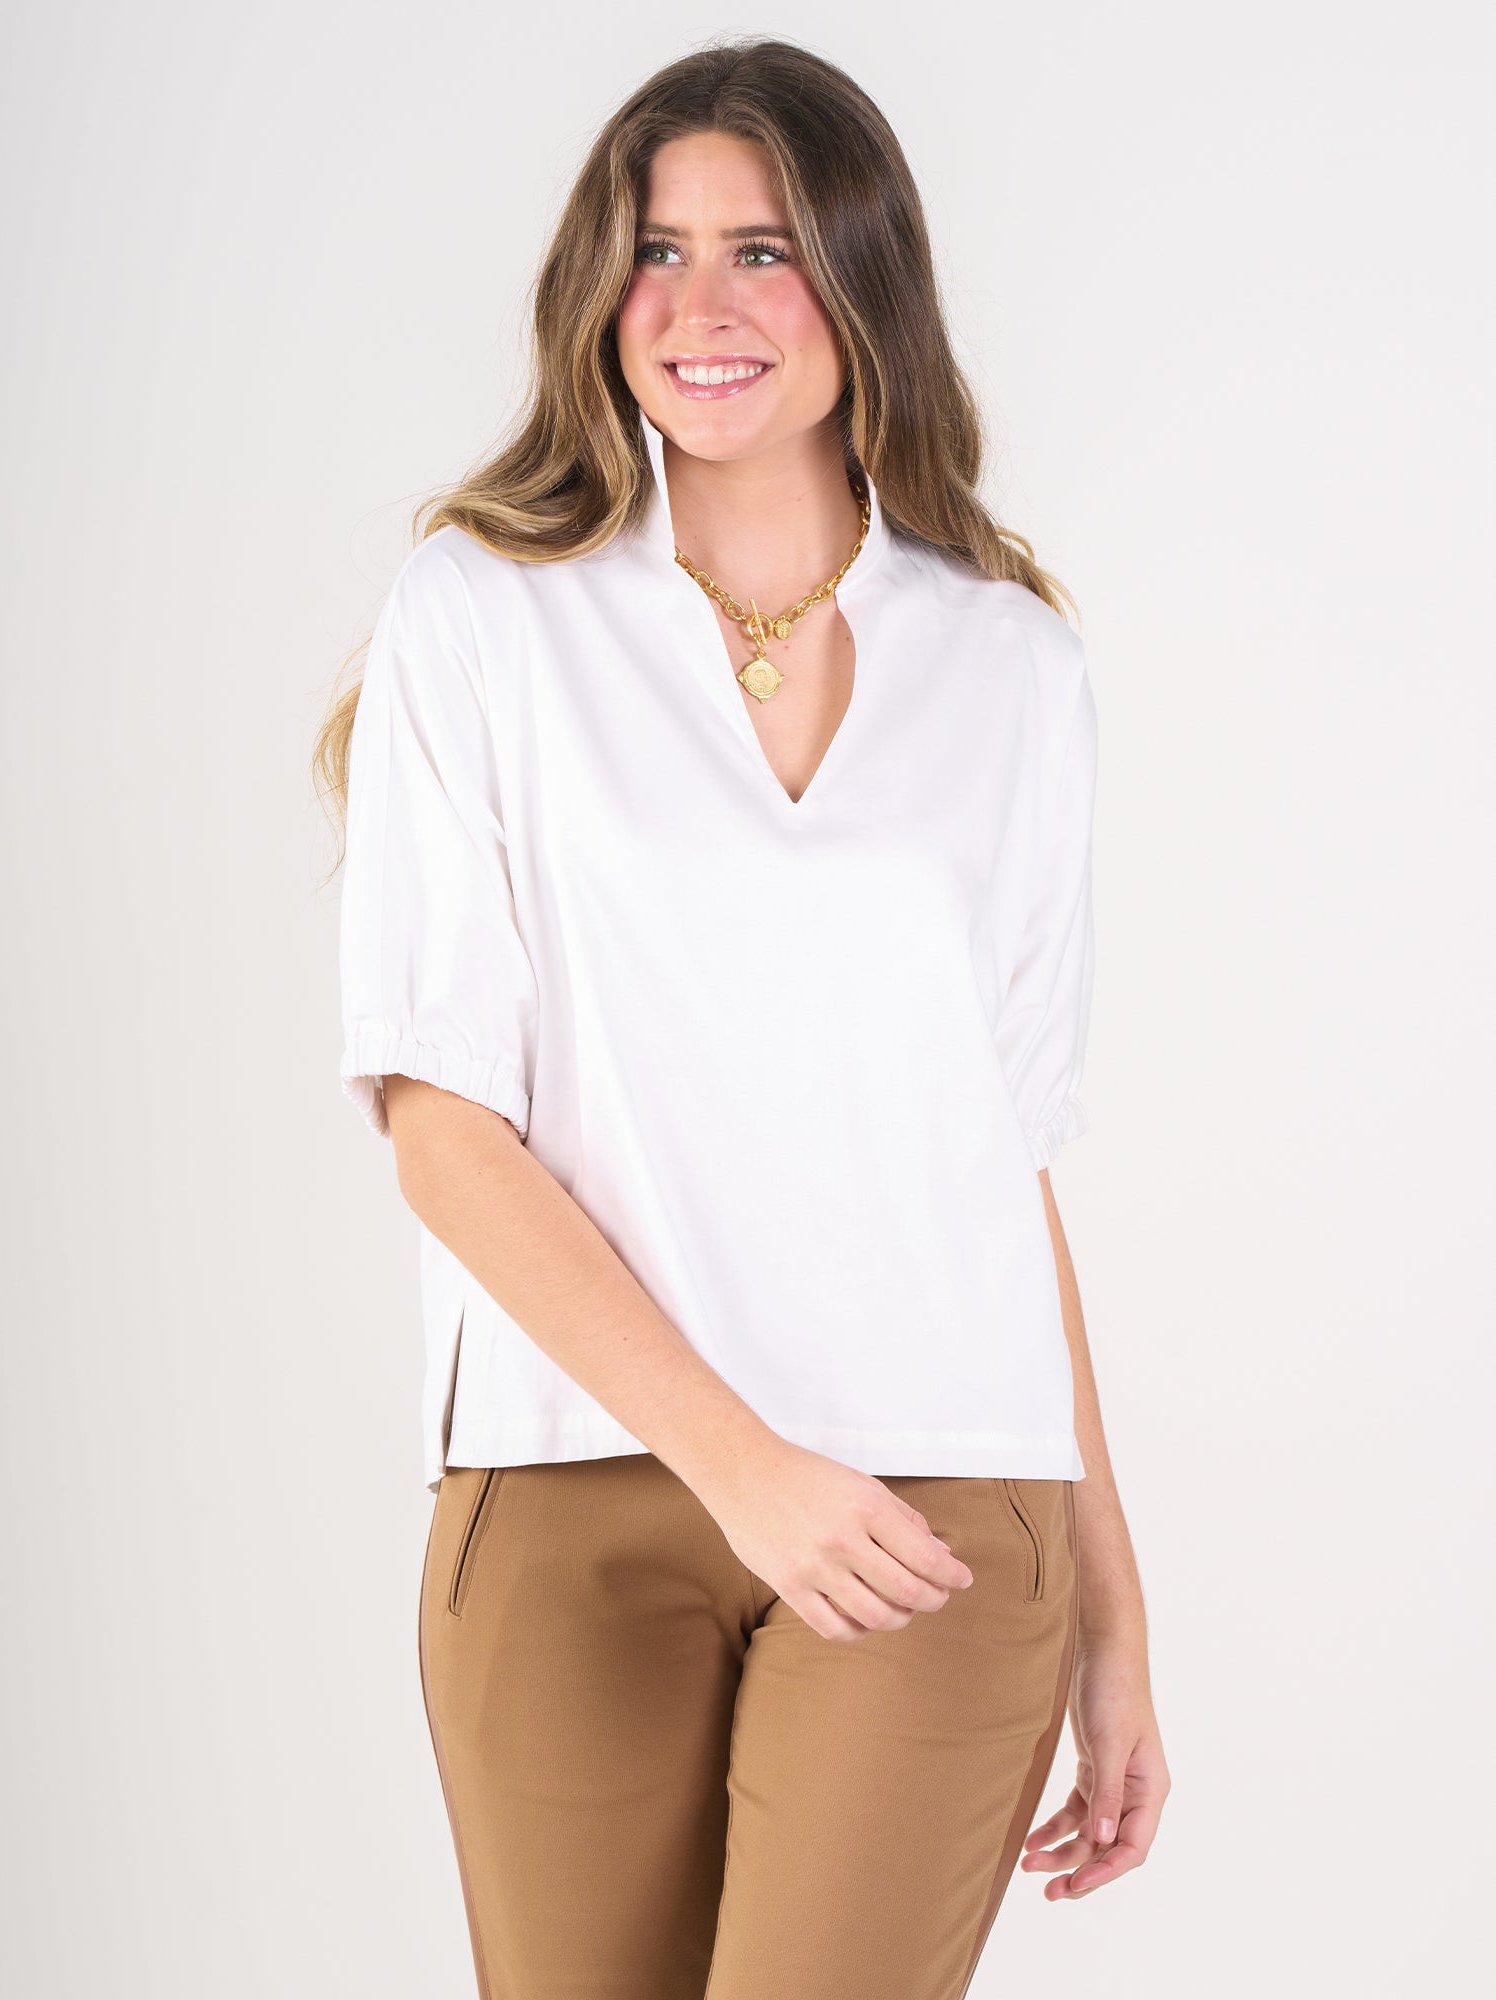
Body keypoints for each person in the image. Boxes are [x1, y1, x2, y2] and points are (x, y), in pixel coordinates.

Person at [315, 35, 1168, 2000]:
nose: (699, 307)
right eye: (657, 250)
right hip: (563, 1492)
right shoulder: (484, 616)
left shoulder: (1011, 665)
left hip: (930, 1515)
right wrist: (741, 1464)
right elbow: (443, 1116)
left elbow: (1006, 1159)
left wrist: (1119, 1613)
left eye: (765, 251)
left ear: (865, 285)